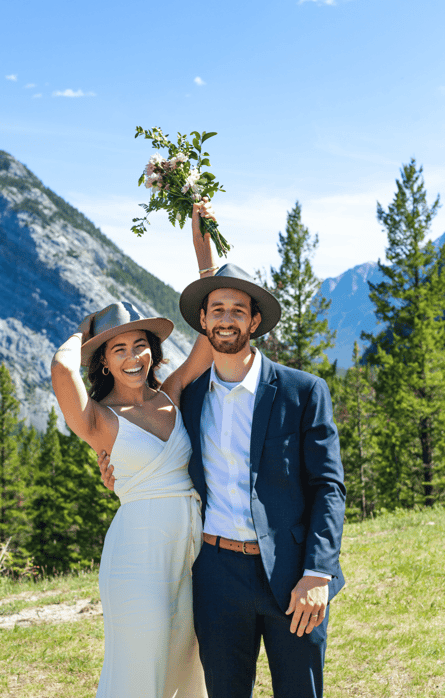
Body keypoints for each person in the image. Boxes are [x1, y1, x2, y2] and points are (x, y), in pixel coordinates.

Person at [100, 262, 346, 698]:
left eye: (237, 310)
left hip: (292, 576)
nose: (226, 319)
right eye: (217, 309)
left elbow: (329, 487)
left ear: (254, 321)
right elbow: (157, 456)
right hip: (215, 577)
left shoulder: (303, 391)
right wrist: (117, 473)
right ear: (203, 321)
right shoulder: (185, 403)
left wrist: (317, 573)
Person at [51, 201, 218, 698]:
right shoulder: (99, 420)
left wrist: (202, 246)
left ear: (152, 349)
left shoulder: (172, 393)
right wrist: (83, 335)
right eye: (117, 348)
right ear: (103, 361)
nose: (132, 356)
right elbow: (63, 372)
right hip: (137, 552)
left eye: (139, 344)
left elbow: (210, 339)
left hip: (191, 548)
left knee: (187, 665)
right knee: (137, 667)